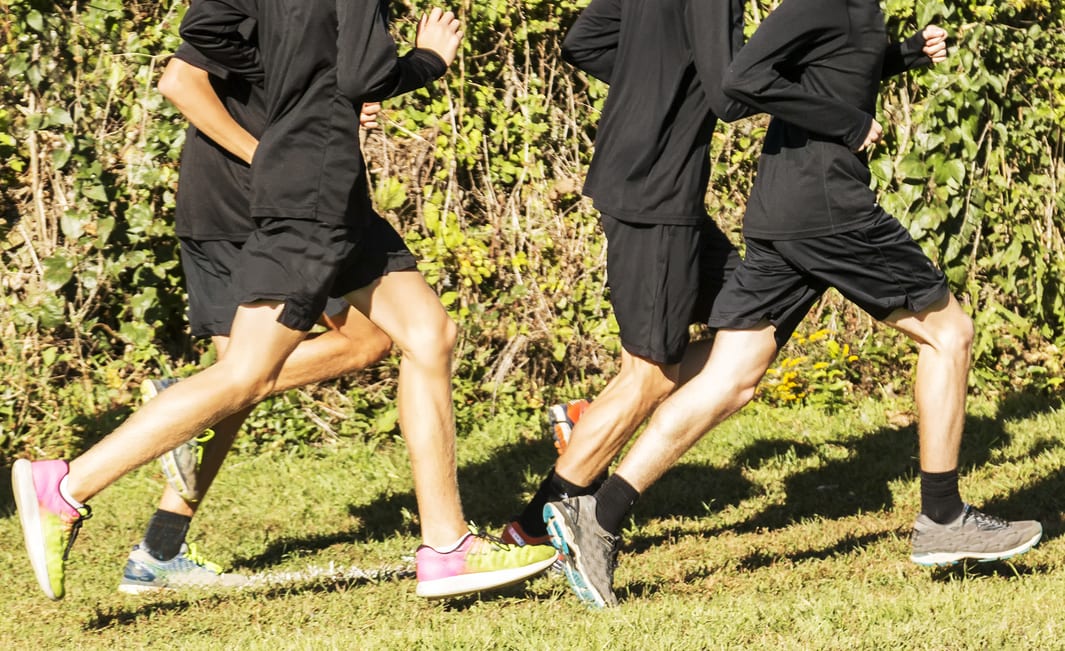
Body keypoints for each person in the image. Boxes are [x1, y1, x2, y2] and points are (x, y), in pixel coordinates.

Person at [13, 2, 556, 601]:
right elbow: (363, 74)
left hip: (332, 192)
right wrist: (424, 61)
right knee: (246, 374)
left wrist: (307, 81)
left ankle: (447, 546)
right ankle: (67, 487)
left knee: (427, 333)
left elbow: (207, 29)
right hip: (308, 191)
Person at [543, 2, 1043, 608]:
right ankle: (943, 516)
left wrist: (901, 56)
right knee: (950, 334)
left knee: (732, 376)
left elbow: (821, 69)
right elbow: (742, 78)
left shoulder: (853, 8)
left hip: (783, 214)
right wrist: (848, 124)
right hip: (830, 211)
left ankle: (598, 516)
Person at [115, 42, 396, 593]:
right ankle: (188, 402)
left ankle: (159, 550)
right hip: (258, 208)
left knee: (237, 385)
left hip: (229, 205)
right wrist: (270, 158)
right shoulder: (242, 7)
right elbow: (180, 82)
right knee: (363, 340)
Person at [500, 0, 753, 551]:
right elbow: (731, 93)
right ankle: (533, 527)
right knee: (651, 375)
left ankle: (592, 420)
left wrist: (654, 86)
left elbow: (583, 41)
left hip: (643, 183)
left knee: (755, 324)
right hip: (656, 195)